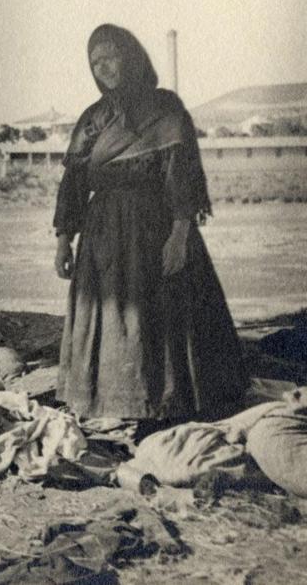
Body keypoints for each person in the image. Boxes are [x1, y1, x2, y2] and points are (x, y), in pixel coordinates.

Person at [53, 24, 247, 424]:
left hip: (155, 229)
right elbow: (73, 182)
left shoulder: (166, 108)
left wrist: (180, 234)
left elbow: (182, 174)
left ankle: (166, 402)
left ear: (132, 55)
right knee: (109, 320)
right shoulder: (92, 119)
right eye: (95, 62)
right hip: (103, 236)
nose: (102, 67)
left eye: (110, 56)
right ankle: (109, 402)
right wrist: (63, 241)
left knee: (161, 321)